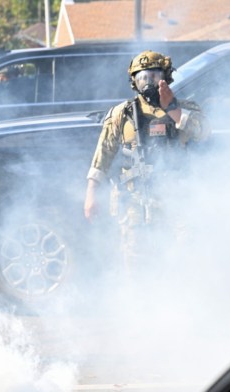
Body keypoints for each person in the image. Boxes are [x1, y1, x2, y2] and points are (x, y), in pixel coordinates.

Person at [83, 51, 209, 271]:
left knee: (185, 261)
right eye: (143, 78)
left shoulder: (185, 109)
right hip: (135, 204)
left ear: (166, 77)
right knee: (137, 264)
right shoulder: (121, 114)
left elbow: (203, 132)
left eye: (154, 76)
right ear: (134, 81)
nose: (148, 83)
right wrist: (91, 193)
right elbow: (103, 154)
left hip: (177, 201)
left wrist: (172, 109)